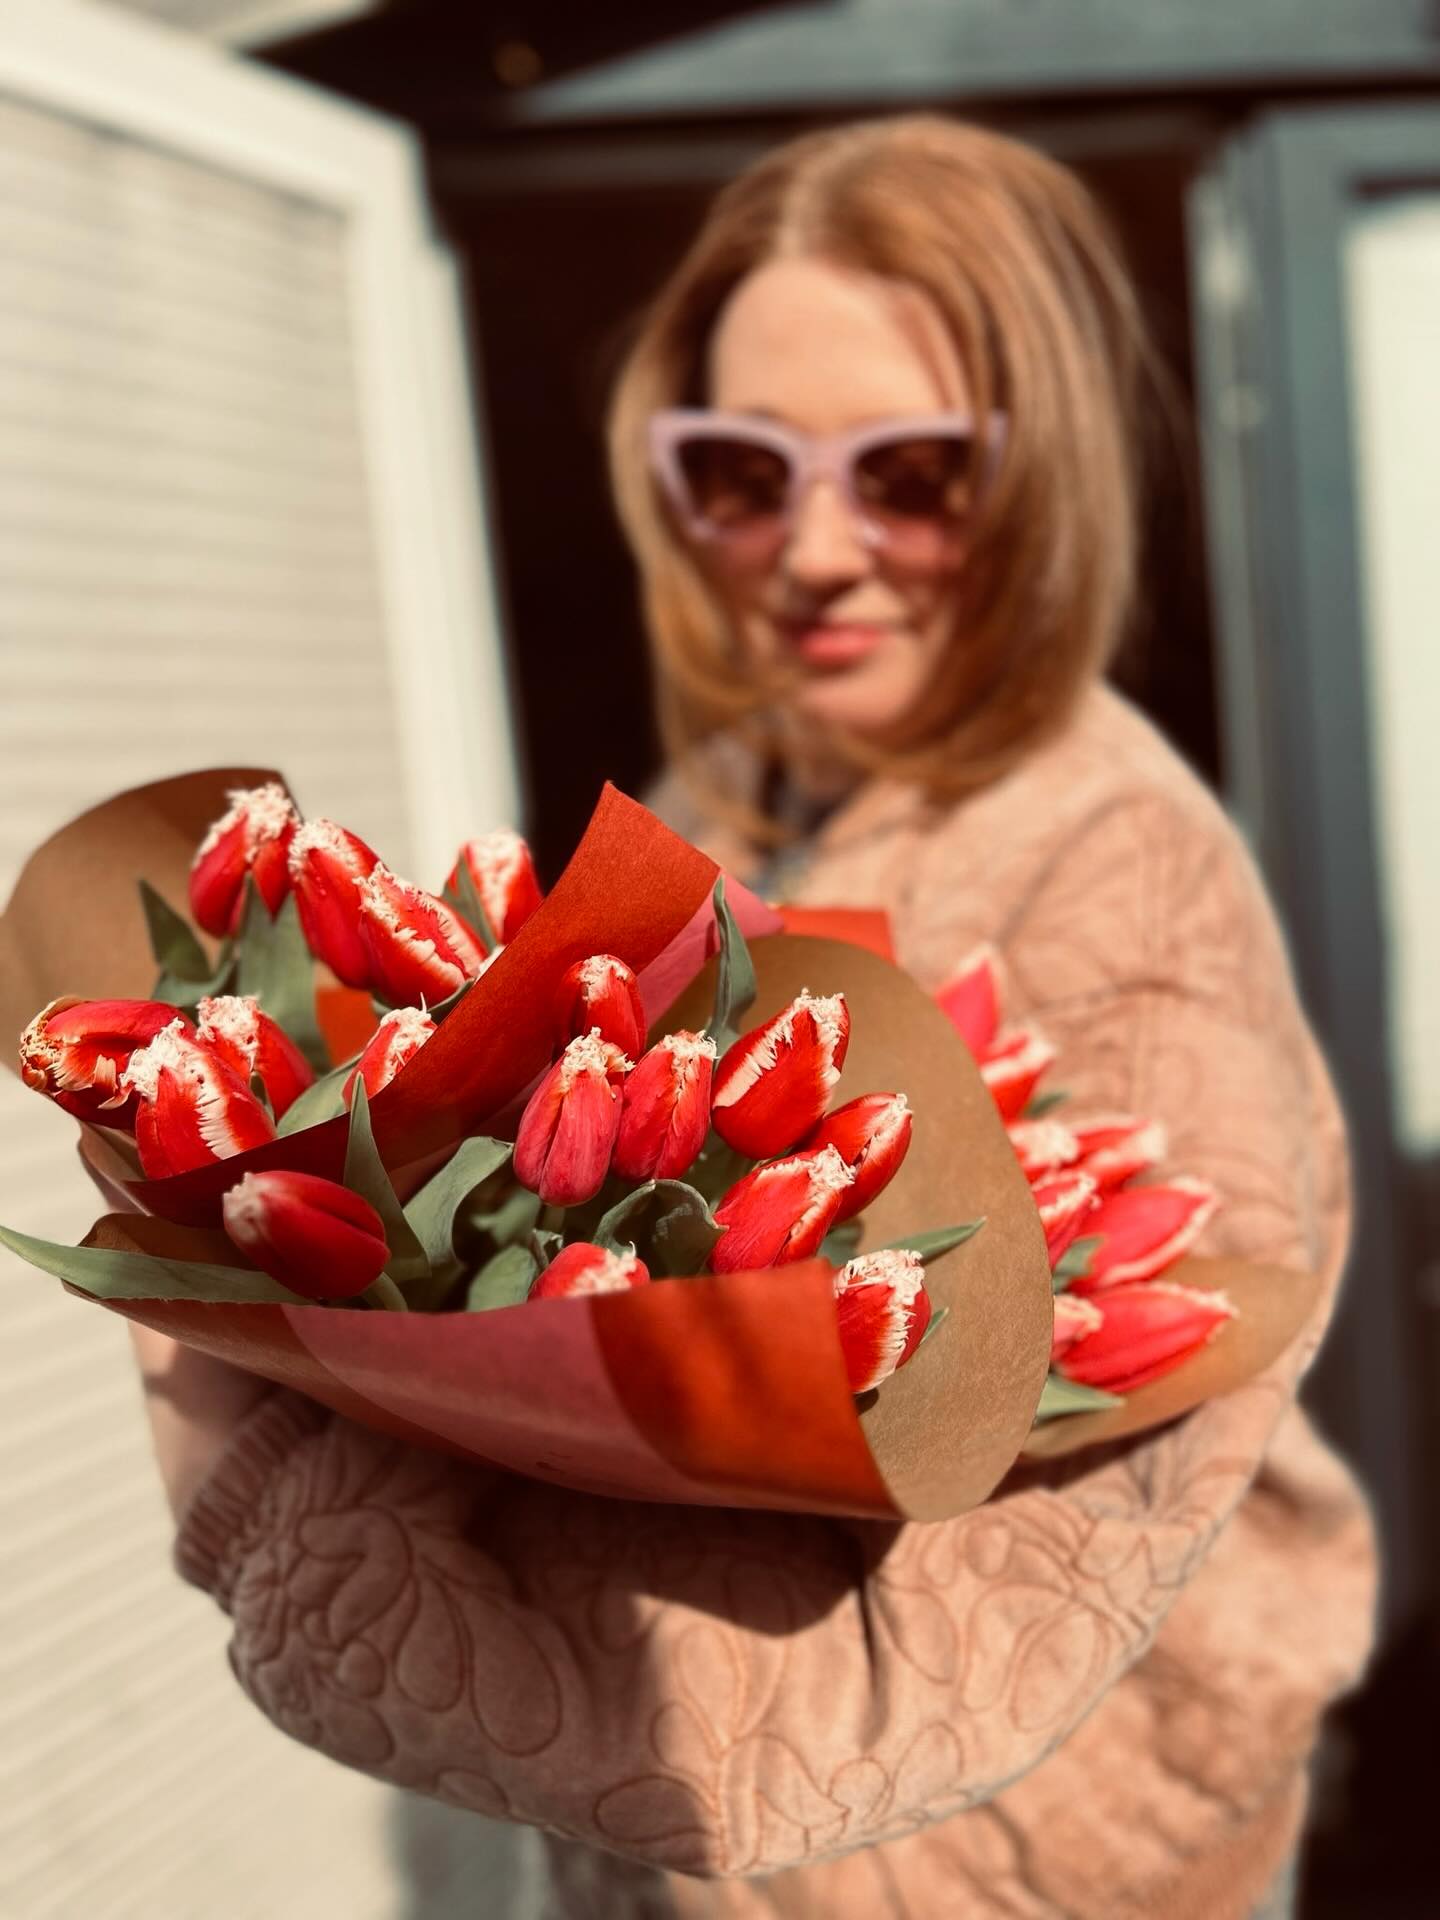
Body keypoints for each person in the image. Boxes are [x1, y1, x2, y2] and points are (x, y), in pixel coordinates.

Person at [131, 115, 1375, 1918]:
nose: (814, 551)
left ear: (1045, 484)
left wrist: (317, 1544)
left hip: (1027, 1866)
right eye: (738, 472)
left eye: (914, 476)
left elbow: (1075, 1549)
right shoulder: (727, 795)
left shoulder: (1119, 863)